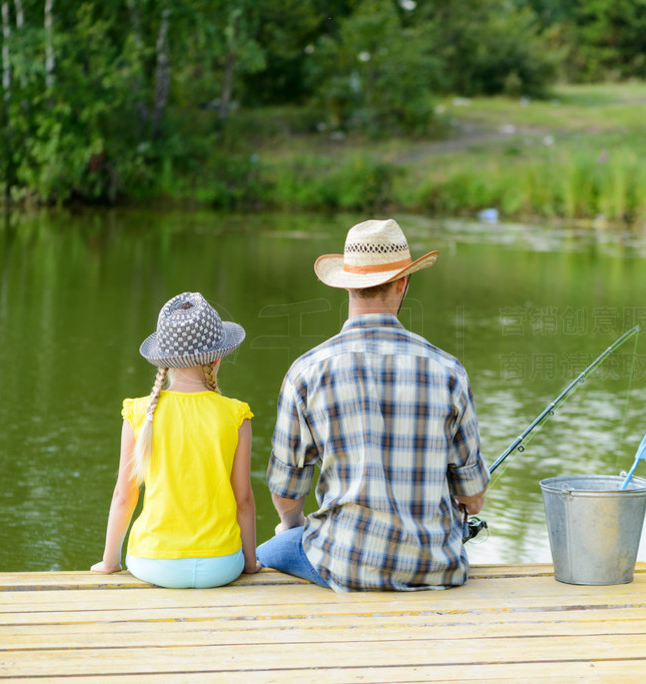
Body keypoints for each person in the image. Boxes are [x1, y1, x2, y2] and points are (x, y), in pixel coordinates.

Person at [257, 218, 489, 592]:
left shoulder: (307, 372)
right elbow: (472, 499)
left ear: (347, 283)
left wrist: (292, 523)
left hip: (342, 564)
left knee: (268, 550)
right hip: (435, 567)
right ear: (402, 282)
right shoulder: (449, 372)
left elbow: (286, 493)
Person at [91, 292, 260, 588]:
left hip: (152, 563)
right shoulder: (236, 415)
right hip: (221, 565)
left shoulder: (140, 412)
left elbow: (124, 496)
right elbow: (243, 501)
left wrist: (110, 563)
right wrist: (248, 563)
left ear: (164, 361)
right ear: (217, 358)